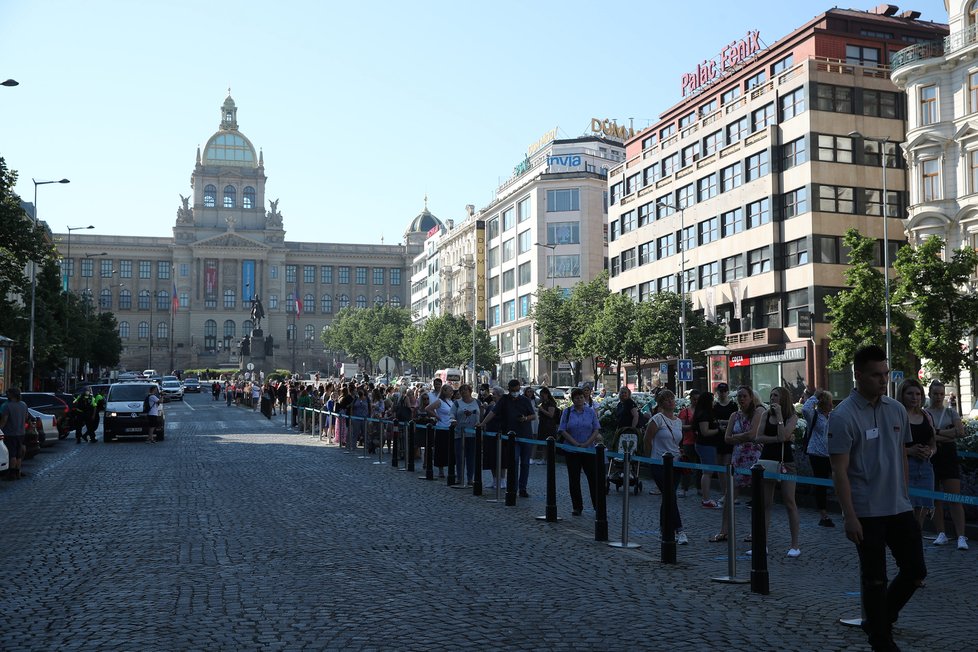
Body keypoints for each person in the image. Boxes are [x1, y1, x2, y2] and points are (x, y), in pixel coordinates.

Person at [829, 345, 926, 652]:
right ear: (858, 375)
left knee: (915, 571)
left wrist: (906, 495)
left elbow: (901, 455)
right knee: (874, 580)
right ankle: (881, 640)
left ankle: (881, 618)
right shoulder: (842, 416)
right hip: (866, 511)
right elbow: (839, 471)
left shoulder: (895, 409)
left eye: (885, 374)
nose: (883, 380)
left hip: (898, 506)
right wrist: (849, 515)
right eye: (876, 375)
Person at [711, 386, 764, 543]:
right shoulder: (734, 415)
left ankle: (756, 531)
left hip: (754, 458)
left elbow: (753, 434)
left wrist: (737, 437)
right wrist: (743, 438)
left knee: (757, 497)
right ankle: (724, 531)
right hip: (738, 458)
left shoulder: (758, 412)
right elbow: (727, 438)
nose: (741, 399)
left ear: (751, 397)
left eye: (744, 396)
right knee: (729, 496)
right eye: (739, 396)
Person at [755, 386, 801, 558]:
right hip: (767, 461)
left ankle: (795, 545)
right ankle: (763, 543)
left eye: (776, 395)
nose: (772, 398)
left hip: (786, 462)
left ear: (783, 399)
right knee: (766, 503)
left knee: (790, 501)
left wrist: (780, 417)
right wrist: (776, 439)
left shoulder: (792, 417)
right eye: (771, 395)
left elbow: (784, 435)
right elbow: (758, 437)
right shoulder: (765, 415)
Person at [925, 380, 968, 550]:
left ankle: (961, 536)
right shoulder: (925, 413)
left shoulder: (951, 412)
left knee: (954, 497)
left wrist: (937, 432)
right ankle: (941, 532)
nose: (938, 397)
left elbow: (960, 432)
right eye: (935, 393)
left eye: (941, 394)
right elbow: (928, 437)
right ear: (930, 394)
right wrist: (947, 434)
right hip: (933, 455)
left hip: (949, 456)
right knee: (935, 497)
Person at [643, 389, 688, 544]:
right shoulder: (657, 419)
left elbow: (676, 441)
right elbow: (647, 439)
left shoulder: (678, 421)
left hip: (675, 462)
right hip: (659, 463)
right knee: (670, 495)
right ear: (661, 403)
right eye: (667, 399)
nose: (670, 401)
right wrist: (651, 459)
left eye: (672, 398)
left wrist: (679, 450)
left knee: (668, 497)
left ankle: (664, 529)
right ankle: (679, 529)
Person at [479, 379, 535, 497]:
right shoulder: (504, 400)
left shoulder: (525, 400)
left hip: (525, 435)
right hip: (511, 436)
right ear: (508, 389)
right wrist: (483, 423)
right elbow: (493, 412)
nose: (515, 392)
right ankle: (512, 487)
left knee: (525, 463)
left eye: (517, 390)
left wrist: (525, 418)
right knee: (513, 462)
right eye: (513, 390)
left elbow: (533, 415)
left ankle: (523, 488)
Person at [897, 379, 935, 530]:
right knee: (907, 511)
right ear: (902, 395)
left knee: (922, 509)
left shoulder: (926, 415)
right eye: (910, 393)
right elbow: (888, 446)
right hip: (905, 467)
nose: (915, 397)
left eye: (918, 394)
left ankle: (915, 542)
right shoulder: (897, 415)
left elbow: (933, 442)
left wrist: (930, 451)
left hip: (925, 468)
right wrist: (909, 451)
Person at [557, 387, 602, 516]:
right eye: (577, 398)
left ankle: (597, 506)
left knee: (593, 478)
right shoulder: (567, 412)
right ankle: (577, 506)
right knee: (574, 479)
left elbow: (596, 429)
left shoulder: (590, 412)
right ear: (573, 399)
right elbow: (562, 429)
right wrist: (575, 444)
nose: (580, 399)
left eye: (581, 397)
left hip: (588, 449)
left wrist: (587, 443)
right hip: (571, 450)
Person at [803, 390, 836, 527]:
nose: (831, 405)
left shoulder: (833, 416)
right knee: (821, 484)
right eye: (829, 402)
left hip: (832, 454)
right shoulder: (815, 416)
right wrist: (815, 396)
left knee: (840, 481)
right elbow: (805, 409)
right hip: (817, 454)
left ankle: (846, 511)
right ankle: (823, 515)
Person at [693, 392, 722, 510]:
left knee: (707, 471)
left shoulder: (704, 412)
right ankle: (706, 498)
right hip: (706, 445)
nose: (713, 401)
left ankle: (706, 498)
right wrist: (718, 430)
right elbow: (705, 432)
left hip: (707, 445)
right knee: (707, 472)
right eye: (712, 399)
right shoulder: (704, 414)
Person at [452, 384, 482, 485]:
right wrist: (453, 420)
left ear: (470, 391)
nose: (464, 392)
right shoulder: (457, 403)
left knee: (471, 457)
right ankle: (459, 477)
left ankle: (470, 478)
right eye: (462, 390)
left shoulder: (477, 402)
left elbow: (481, 415)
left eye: (466, 390)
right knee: (459, 456)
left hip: (473, 433)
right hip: (460, 433)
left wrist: (480, 423)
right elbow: (451, 414)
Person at [426, 384, 455, 477]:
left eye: (452, 391)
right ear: (444, 391)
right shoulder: (440, 401)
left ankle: (452, 468)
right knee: (441, 449)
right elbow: (428, 408)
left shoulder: (451, 402)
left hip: (451, 427)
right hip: (442, 427)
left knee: (451, 449)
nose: (451, 392)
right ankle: (440, 470)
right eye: (450, 390)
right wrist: (437, 416)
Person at [0, 387, 29, 480]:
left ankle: (12, 473)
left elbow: (4, 419)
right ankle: (18, 472)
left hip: (10, 433)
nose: (6, 394)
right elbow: (26, 417)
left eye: (7, 392)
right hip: (21, 432)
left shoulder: (6, 406)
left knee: (12, 454)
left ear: (11, 394)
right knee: (18, 454)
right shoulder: (23, 405)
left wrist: (0, 428)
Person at [678, 388, 701, 498]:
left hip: (700, 442)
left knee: (700, 466)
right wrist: (693, 427)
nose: (696, 401)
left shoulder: (702, 411)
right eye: (694, 399)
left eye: (698, 399)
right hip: (688, 441)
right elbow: (681, 426)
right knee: (686, 466)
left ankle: (700, 487)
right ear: (691, 399)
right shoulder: (685, 412)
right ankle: (684, 487)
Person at [534, 387, 559, 464]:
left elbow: (551, 415)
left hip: (549, 425)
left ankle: (551, 459)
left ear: (547, 394)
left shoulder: (551, 403)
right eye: (541, 395)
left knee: (551, 442)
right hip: (543, 424)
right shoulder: (543, 402)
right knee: (544, 443)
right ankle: (544, 458)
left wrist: (542, 410)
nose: (541, 397)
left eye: (543, 395)